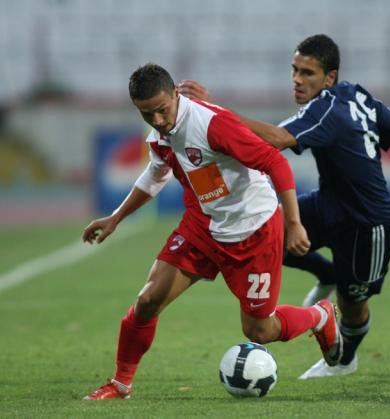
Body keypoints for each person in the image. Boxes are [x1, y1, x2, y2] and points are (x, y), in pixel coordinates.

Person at [81, 63, 342, 400]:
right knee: (148, 300)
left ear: (176, 93)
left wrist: (293, 222)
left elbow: (275, 162)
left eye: (162, 110)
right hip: (203, 224)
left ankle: (319, 316)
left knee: (259, 330)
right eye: (147, 114)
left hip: (253, 227)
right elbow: (156, 173)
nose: (158, 120)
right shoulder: (161, 131)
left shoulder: (212, 124)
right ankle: (120, 384)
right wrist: (116, 217)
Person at [180, 34, 390, 379]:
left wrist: (213, 112)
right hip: (330, 204)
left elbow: (277, 140)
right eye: (294, 70)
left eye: (307, 73)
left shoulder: (326, 108)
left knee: (352, 305)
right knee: (267, 234)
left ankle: (344, 361)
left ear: (330, 77)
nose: (297, 80)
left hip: (368, 223)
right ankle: (325, 272)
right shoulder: (354, 93)